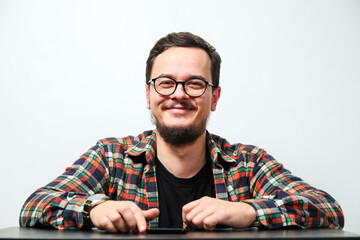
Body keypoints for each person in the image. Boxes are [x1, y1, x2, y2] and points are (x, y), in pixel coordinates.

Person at [19, 32, 344, 233]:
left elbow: (328, 209)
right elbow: (34, 206)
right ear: (148, 94)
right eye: (165, 82)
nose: (178, 93)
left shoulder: (248, 162)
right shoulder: (110, 156)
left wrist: (250, 210)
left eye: (195, 83)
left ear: (214, 97)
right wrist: (94, 208)